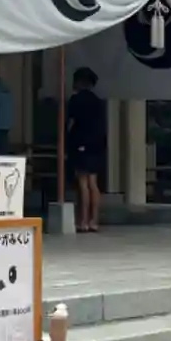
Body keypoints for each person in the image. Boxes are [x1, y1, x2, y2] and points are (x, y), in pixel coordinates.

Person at [67, 67, 106, 233]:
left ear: (80, 82)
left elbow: (70, 122)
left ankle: (82, 221)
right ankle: (94, 220)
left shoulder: (76, 100)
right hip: (97, 145)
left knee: (83, 183)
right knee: (93, 183)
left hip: (81, 143)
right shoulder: (99, 101)